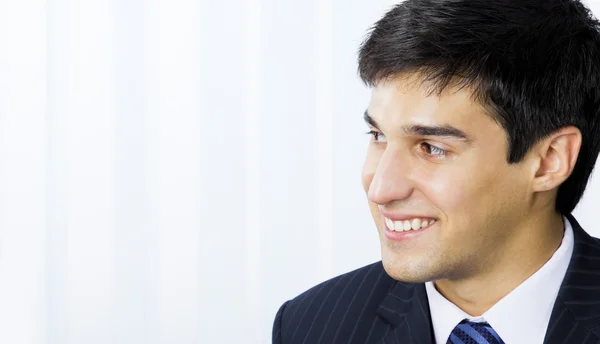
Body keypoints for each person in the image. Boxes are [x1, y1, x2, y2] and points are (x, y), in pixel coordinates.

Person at [272, 0, 600, 343]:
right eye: (378, 136)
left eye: (431, 147)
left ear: (550, 160)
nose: (381, 189)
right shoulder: (311, 326)